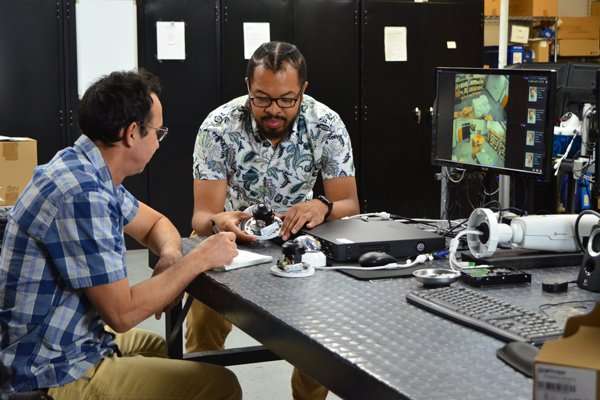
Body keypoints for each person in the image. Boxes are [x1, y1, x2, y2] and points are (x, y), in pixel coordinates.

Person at [0, 71, 242, 400]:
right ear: (131, 134)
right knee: (220, 386)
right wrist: (199, 258)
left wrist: (171, 256)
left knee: (161, 348)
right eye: (158, 132)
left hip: (65, 337)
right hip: (47, 369)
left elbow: (155, 224)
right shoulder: (83, 194)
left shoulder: (84, 169)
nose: (158, 143)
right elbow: (122, 314)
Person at [189, 41, 360, 400]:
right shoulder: (218, 127)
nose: (273, 110)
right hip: (230, 240)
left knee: (319, 342)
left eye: (286, 100)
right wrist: (219, 221)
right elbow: (202, 217)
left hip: (300, 240)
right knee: (203, 326)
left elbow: (349, 204)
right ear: (248, 87)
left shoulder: (326, 124)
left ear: (303, 91)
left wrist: (322, 206)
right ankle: (203, 387)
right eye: (262, 98)